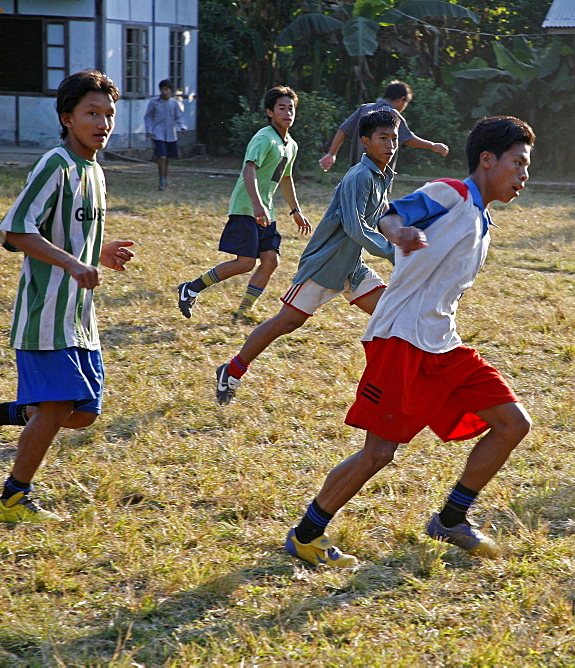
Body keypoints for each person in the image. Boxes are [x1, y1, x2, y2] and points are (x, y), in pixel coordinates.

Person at [285, 116, 535, 568]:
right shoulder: (452, 193)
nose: (524, 175)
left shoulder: (481, 219)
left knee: (513, 423)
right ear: (487, 160)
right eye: (517, 163)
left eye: (526, 166)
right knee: (379, 451)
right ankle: (306, 535)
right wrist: (397, 231)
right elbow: (394, 211)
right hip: (399, 339)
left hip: (443, 344)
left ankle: (451, 519)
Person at [0, 69, 135, 522]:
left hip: (79, 316)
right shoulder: (55, 163)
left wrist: (100, 251)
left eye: (109, 114)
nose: (103, 123)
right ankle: (14, 497)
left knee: (82, 413)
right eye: (91, 112)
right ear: (67, 117)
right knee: (57, 406)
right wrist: (73, 263)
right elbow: (16, 228)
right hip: (45, 312)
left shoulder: (93, 170)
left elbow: (73, 233)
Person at [215, 110, 401, 405]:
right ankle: (231, 371)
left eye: (394, 138)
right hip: (324, 266)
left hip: (353, 268)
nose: (390, 145)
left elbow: (383, 218)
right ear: (365, 142)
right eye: (382, 138)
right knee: (286, 323)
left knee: (394, 314)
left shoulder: (382, 176)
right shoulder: (359, 176)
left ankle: (390, 387)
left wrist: (407, 240)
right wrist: (394, 253)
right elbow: (355, 227)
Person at [177, 86, 312, 320]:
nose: (288, 112)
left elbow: (286, 178)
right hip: (246, 207)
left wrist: (295, 210)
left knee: (271, 260)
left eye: (291, 108)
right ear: (270, 112)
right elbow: (249, 171)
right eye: (282, 108)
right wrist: (257, 204)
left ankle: (242, 313)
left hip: (265, 210)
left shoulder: (291, 145)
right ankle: (191, 288)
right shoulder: (264, 138)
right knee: (246, 262)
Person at [318, 80, 449, 174]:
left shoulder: (365, 108)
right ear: (401, 99)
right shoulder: (391, 113)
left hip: (357, 170)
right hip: (377, 169)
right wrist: (432, 145)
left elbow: (343, 130)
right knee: (377, 201)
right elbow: (408, 138)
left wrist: (331, 154)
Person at [144, 78, 187, 191]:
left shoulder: (174, 103)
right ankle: (161, 180)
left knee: (167, 158)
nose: (165, 92)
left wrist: (182, 127)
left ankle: (165, 179)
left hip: (170, 134)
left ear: (171, 91)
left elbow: (179, 117)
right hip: (158, 133)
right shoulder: (154, 102)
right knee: (161, 157)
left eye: (167, 89)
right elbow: (148, 117)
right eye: (163, 89)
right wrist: (149, 130)